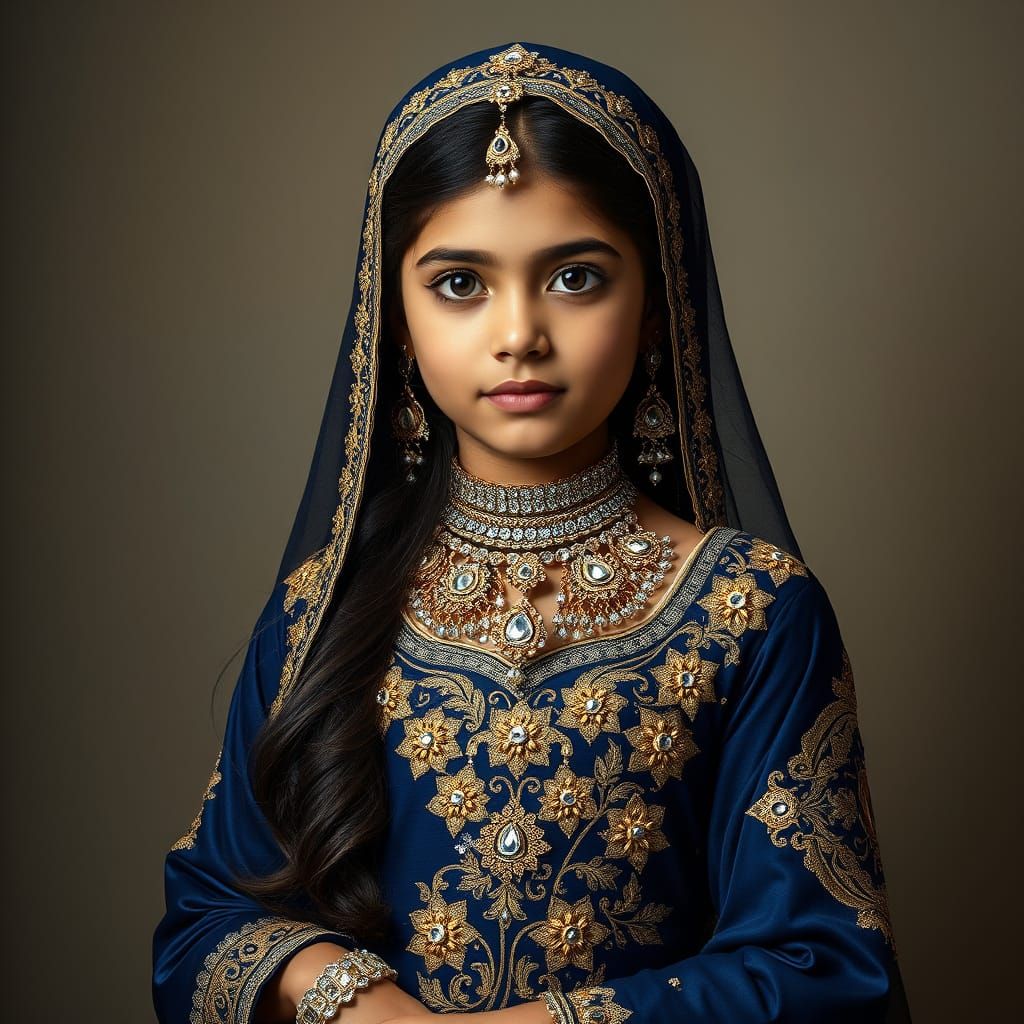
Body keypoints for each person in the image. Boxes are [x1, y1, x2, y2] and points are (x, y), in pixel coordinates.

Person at [152, 41, 911, 1024]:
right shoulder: (322, 607)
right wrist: (356, 1001)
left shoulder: (751, 613)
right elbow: (206, 919)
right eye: (460, 284)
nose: (518, 332)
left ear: (653, 308)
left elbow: (822, 963)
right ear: (394, 316)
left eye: (575, 278)